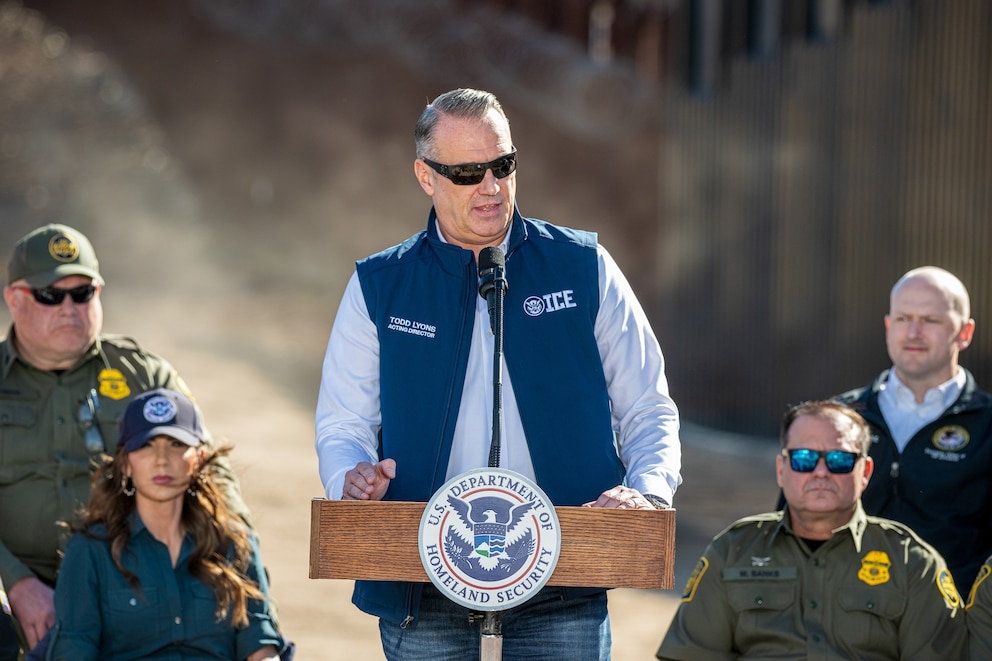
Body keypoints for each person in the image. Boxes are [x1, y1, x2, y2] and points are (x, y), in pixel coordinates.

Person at [314, 87, 681, 660]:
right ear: (425, 176)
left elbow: (648, 407)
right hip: (422, 579)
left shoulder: (584, 267)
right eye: (466, 172)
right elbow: (343, 423)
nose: (491, 187)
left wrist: (647, 495)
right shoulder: (378, 285)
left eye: (503, 165)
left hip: (564, 578)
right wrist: (349, 479)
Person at [0, 223, 250, 657]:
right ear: (14, 299)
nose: (69, 308)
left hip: (127, 578)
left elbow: (212, 476)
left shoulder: (145, 376)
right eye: (50, 295)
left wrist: (241, 554)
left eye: (83, 294)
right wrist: (15, 582)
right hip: (14, 587)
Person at [657, 400, 966, 660]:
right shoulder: (733, 551)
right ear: (781, 469)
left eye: (839, 460)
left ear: (865, 472)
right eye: (804, 459)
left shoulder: (913, 563)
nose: (821, 472)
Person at [45, 388, 289, 660]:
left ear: (197, 460)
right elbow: (73, 650)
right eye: (146, 445)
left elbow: (259, 644)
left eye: (176, 444)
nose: (161, 460)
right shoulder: (90, 551)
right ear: (125, 463)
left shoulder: (234, 542)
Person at [831, 266, 992, 588]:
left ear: (965, 332)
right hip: (842, 624)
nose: (913, 332)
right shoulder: (836, 419)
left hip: (949, 629)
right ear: (888, 326)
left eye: (931, 320)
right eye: (903, 319)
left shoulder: (987, 425)